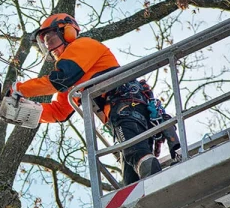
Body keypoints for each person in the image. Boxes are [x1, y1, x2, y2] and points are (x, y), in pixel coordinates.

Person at [9, 13, 176, 184]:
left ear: (67, 32)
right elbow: (59, 111)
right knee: (131, 180)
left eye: (51, 41)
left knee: (136, 153)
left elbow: (59, 79)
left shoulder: (82, 46)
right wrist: (21, 109)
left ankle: (153, 176)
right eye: (46, 47)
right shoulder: (74, 79)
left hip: (126, 102)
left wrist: (19, 89)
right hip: (118, 114)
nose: (52, 50)